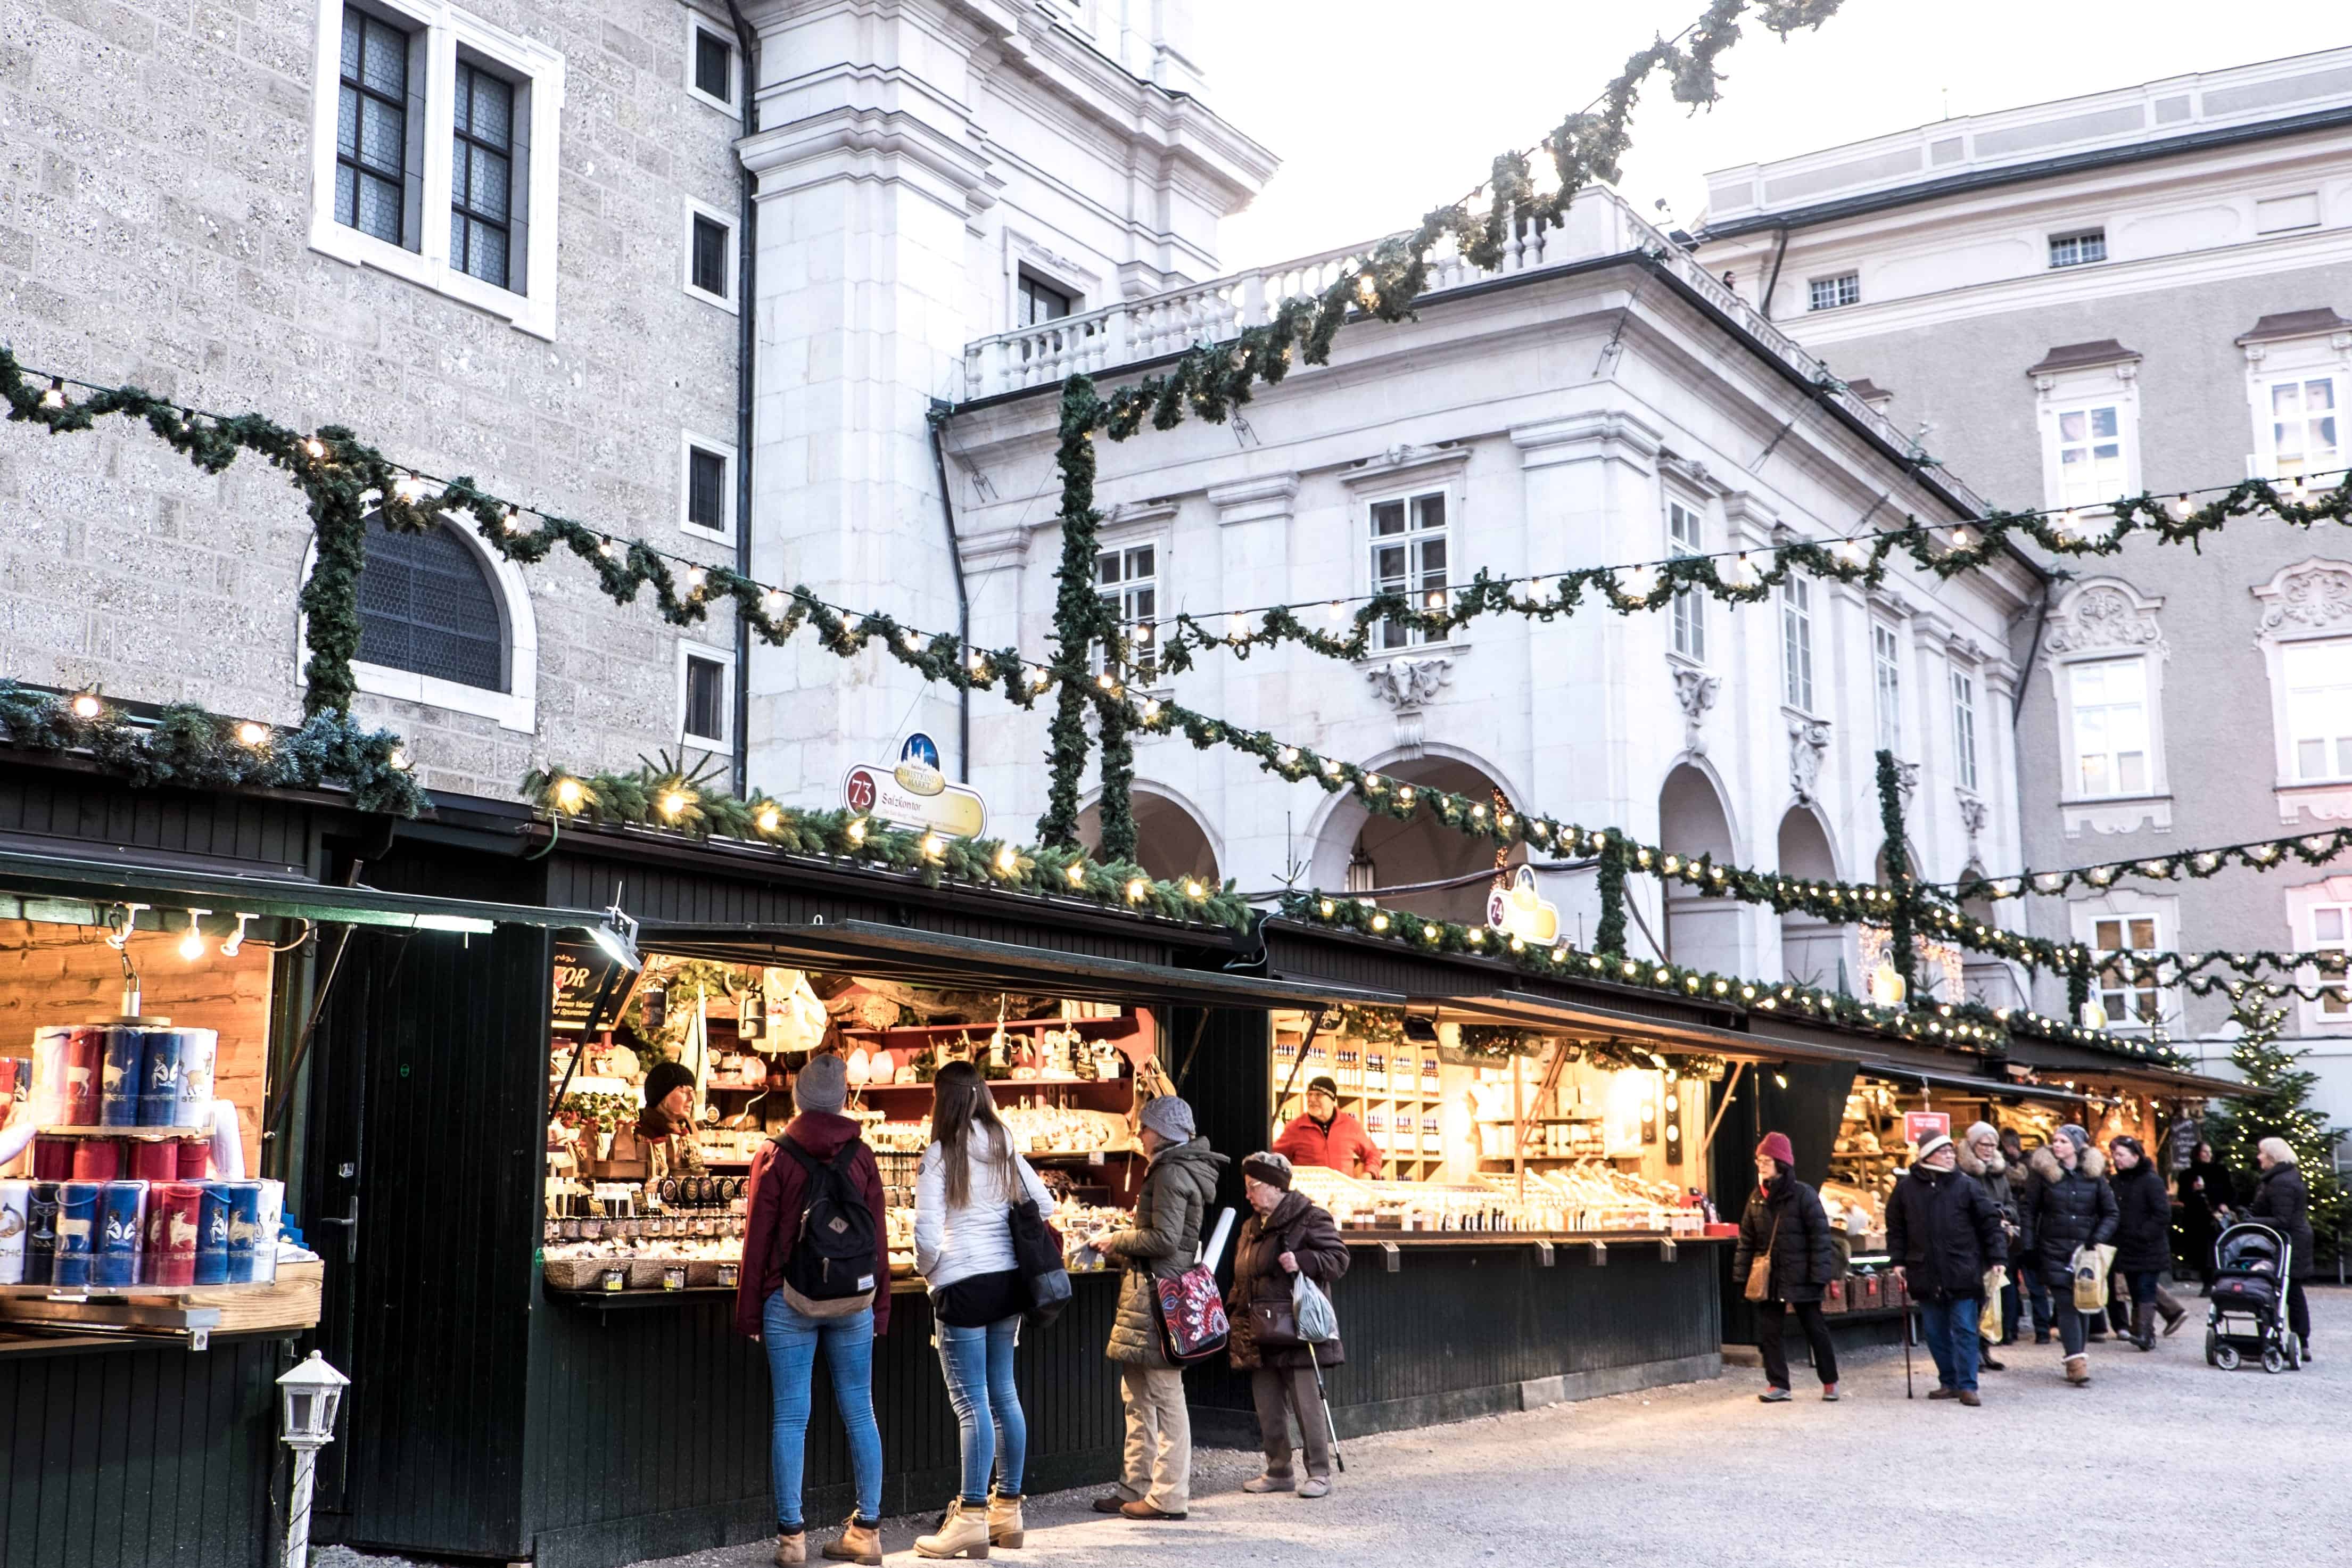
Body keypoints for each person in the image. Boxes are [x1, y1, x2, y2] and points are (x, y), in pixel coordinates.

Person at [733, 1052, 890, 1566]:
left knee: (791, 1418)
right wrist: (881, 1307)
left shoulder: (774, 1155)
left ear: (798, 1099)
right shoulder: (863, 1156)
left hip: (789, 1298)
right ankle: (866, 1532)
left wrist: (749, 1313)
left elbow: (757, 1240)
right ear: (844, 1098)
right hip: (854, 1300)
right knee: (860, 1411)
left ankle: (792, 1540)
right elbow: (878, 1243)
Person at [911, 1062, 1059, 1559]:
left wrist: (931, 1274)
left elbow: (928, 1237)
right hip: (1009, 1284)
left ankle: (971, 1516)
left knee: (971, 1404)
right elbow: (1045, 1204)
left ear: (941, 1100)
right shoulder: (1004, 1146)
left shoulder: (941, 1155)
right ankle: (1008, 1511)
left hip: (963, 1285)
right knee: (1003, 1394)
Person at [1090, 1094, 1225, 1521]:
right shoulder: (1177, 1170)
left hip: (1157, 1296)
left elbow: (1164, 1240)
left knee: (1163, 1397)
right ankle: (1136, 1485)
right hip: (1151, 1294)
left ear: (1162, 1132)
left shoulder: (1169, 1174)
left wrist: (1117, 1239)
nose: (1140, 1134)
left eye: (1144, 1127)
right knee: (1138, 1395)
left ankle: (1168, 1496)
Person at [1226, 1151, 1350, 1499]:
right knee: (1267, 1406)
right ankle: (1278, 1470)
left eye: (1254, 1187)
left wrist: (1303, 1260)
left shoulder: (1310, 1218)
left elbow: (1339, 1260)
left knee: (1307, 1404)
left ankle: (1320, 1473)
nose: (1248, 1195)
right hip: (1257, 1327)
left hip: (1296, 1327)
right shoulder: (1251, 1225)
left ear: (1277, 1187)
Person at [1886, 1131, 2006, 1405]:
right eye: (1944, 1152)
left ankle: (1967, 1385)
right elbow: (1896, 1227)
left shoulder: (1967, 1185)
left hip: (1961, 1268)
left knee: (1965, 1328)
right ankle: (1948, 1381)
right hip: (1924, 1269)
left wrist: (1998, 1257)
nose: (1951, 1156)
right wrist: (1898, 1260)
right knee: (1935, 1331)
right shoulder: (1906, 1188)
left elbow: (1989, 1223)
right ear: (1927, 1155)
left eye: (1952, 1152)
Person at [1731, 1132, 1840, 1403]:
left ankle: (1830, 1382)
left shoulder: (1804, 1195)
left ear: (1782, 1162)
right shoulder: (1756, 1198)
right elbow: (1747, 1240)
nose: (1762, 1164)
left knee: (1815, 1327)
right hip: (1770, 1277)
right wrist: (1741, 1276)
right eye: (1759, 1160)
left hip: (1802, 1275)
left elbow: (1821, 1238)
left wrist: (1819, 1277)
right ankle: (1778, 1384)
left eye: (1767, 1159)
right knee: (1770, 1332)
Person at [2022, 1124, 2117, 1387]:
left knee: (2084, 1305)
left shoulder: (2094, 1177)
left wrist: (2097, 1238)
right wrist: (2029, 1246)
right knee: (2066, 1304)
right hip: (2053, 1248)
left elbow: (2111, 1212)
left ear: (2077, 1145)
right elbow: (2029, 1211)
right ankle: (2075, 1363)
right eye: (2055, 1140)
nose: (2057, 1145)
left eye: (2063, 1141)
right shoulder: (2043, 1175)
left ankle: (2077, 1355)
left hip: (2084, 1251)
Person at [2108, 1136, 2184, 1350]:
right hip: (2126, 1247)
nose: (2117, 1159)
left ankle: (2145, 1334)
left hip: (2149, 1246)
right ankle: (2142, 1331)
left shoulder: (2151, 1181)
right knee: (2134, 1290)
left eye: (2121, 1155)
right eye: (2114, 1155)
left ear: (2135, 1156)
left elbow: (2162, 1214)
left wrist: (2143, 1234)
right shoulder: (2116, 1182)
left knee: (2146, 1289)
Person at [1958, 1122, 2019, 1369]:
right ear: (1973, 1145)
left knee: (1992, 1298)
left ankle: (1985, 1348)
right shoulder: (1961, 1173)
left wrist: (2005, 1212)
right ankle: (1970, 1352)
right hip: (1970, 1244)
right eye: (1984, 1144)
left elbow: (2012, 1204)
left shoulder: (1999, 1173)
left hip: (1995, 1241)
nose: (1989, 1149)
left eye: (1993, 1145)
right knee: (1972, 1298)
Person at [2250, 1136, 2316, 1359]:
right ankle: (2300, 1340)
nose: (2259, 1157)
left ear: (2272, 1157)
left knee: (2285, 1290)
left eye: (2262, 1154)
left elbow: (2282, 1219)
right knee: (2292, 1291)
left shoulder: (2281, 1182)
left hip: (2289, 1242)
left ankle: (2281, 1337)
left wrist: (2250, 1222)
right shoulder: (2282, 1178)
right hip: (2291, 1239)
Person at [1272, 1076, 1384, 1178]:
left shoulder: (1351, 1126)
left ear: (1332, 1099)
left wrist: (1369, 1173)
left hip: (1343, 1196)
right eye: (1309, 1095)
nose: (1312, 1099)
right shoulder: (1295, 1128)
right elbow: (1274, 1158)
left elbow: (1373, 1154)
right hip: (1307, 1197)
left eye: (1318, 1095)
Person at [2000, 1128, 2052, 1345]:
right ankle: (2042, 1330)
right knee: (2032, 1284)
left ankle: (2011, 1331)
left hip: (2013, 1231)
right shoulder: (2036, 1168)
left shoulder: (1999, 1169)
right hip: (2028, 1230)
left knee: (2013, 1285)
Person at [636, 1058, 707, 1182]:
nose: (691, 1098)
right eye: (684, 1091)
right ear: (662, 1096)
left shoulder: (689, 1130)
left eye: (693, 1092)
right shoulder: (640, 1135)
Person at [2176, 1140, 2234, 1291]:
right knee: (2201, 1250)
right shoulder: (2187, 1175)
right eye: (2205, 1152)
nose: (2208, 1155)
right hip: (2196, 1217)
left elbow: (2230, 1191)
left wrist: (2225, 1204)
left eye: (2210, 1152)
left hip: (2216, 1216)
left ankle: (2215, 1280)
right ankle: (2207, 1281)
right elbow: (2182, 1196)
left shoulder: (2220, 1171)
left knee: (2214, 1248)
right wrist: (2193, 1189)